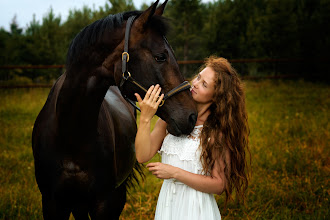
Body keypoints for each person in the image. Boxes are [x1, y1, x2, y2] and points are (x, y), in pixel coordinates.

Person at [134, 56, 250, 220]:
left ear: (216, 96)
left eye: (204, 84)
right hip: (168, 204)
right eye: (198, 77)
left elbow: (219, 184)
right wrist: (145, 118)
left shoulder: (216, 132)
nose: (195, 83)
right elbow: (142, 155)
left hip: (196, 209)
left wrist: (174, 172)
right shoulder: (171, 118)